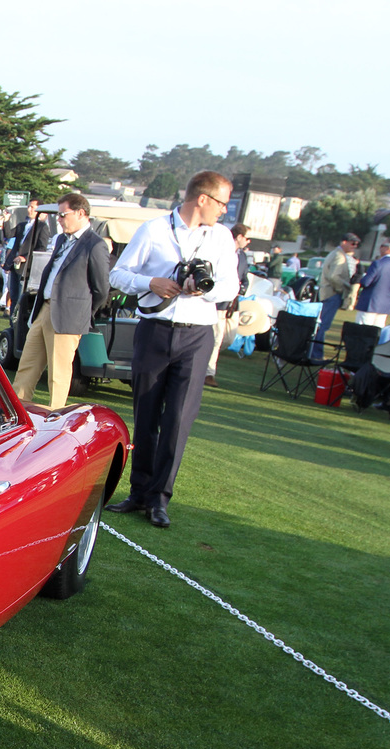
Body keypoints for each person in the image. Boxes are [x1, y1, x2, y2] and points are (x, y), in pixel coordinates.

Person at [105, 171, 237, 528]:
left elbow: (230, 285)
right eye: (223, 203)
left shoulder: (222, 237)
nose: (225, 211)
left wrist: (203, 290)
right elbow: (118, 275)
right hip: (155, 331)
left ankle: (160, 499)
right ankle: (138, 492)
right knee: (146, 414)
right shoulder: (154, 230)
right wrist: (151, 282)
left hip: (197, 335)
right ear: (203, 199)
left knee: (178, 420)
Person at [10, 193, 109, 409]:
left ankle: (55, 416)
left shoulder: (95, 245)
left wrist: (82, 312)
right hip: (45, 309)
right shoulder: (62, 240)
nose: (59, 220)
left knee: (59, 372)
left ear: (81, 213)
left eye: (63, 215)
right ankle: (17, 410)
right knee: (27, 364)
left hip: (69, 316)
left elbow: (101, 289)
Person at [207, 223, 251, 386]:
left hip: (233, 303)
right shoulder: (221, 252)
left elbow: (244, 275)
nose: (248, 242)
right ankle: (208, 373)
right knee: (217, 338)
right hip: (219, 302)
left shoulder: (243, 256)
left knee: (228, 338)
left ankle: (207, 364)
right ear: (239, 237)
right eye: (247, 238)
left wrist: (243, 286)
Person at [312, 232, 360, 354]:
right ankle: (316, 353)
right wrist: (342, 288)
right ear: (344, 242)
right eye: (352, 243)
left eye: (356, 244)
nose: (354, 246)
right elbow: (334, 276)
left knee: (321, 324)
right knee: (323, 325)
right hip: (332, 294)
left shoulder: (338, 254)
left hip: (329, 293)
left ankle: (315, 351)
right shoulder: (339, 256)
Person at [355, 238, 390, 327]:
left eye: (382, 245)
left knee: (361, 332)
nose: (380, 248)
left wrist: (360, 278)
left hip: (369, 303)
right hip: (385, 306)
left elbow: (366, 282)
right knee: (376, 334)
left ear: (387, 248)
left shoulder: (378, 264)